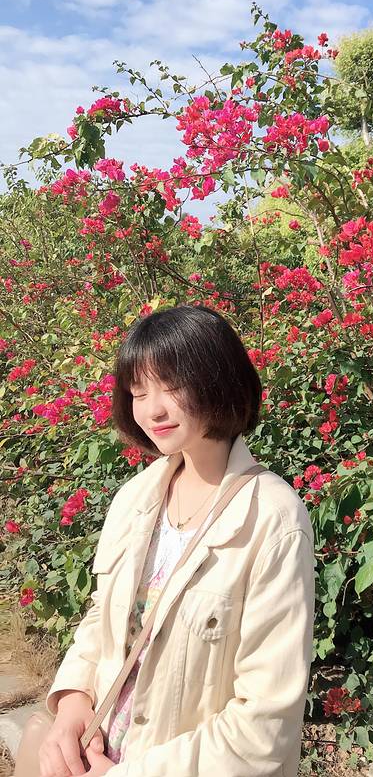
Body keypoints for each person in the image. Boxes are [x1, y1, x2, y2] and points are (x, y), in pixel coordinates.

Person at [36, 303, 316, 776]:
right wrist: (72, 701)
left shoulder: (273, 519)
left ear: (218, 380)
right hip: (101, 749)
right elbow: (104, 616)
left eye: (171, 386)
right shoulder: (136, 498)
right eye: (139, 392)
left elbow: (264, 722)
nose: (153, 410)